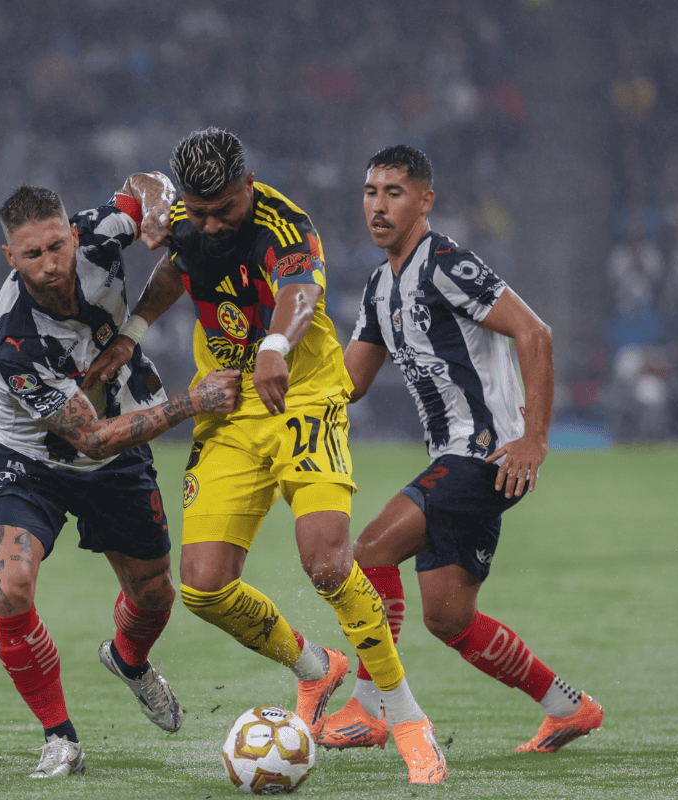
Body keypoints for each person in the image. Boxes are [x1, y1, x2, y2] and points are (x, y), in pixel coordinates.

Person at [83, 128, 447, 784]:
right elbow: (176, 270)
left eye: (225, 208)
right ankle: (317, 669)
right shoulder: (188, 224)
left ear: (247, 186)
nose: (213, 223)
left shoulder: (286, 225)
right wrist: (132, 333)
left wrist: (276, 346)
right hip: (226, 409)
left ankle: (406, 718)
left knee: (329, 563)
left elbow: (299, 289)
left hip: (304, 396)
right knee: (202, 585)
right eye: (200, 212)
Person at [317, 144, 604, 756]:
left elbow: (536, 333)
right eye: (371, 193)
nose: (379, 206)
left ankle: (371, 708)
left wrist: (535, 437)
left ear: (425, 200)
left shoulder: (445, 263)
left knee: (367, 552)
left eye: (394, 193)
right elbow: (351, 383)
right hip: (454, 460)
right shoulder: (378, 287)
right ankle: (567, 707)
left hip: (487, 455)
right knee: (447, 618)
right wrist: (284, 398)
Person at [0, 176, 241, 780]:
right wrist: (190, 403)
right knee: (6, 590)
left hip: (118, 460)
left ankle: (129, 660)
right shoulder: (13, 342)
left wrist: (152, 209)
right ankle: (59, 738)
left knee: (155, 595)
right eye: (31, 255)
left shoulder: (99, 233)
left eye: (55, 247)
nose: (49, 265)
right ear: (9, 258)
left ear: (71, 234)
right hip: (31, 465)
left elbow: (147, 183)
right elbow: (87, 437)